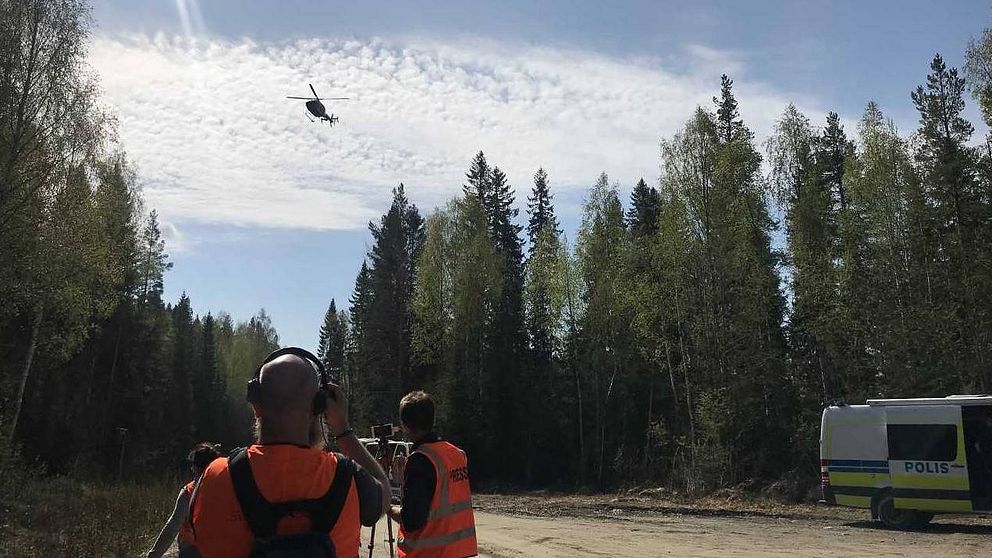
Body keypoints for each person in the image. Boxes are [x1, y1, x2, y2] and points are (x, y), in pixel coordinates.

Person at [190, 351, 390, 558]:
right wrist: (343, 430)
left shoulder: (216, 477)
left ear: (255, 404)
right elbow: (384, 494)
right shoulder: (349, 478)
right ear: (318, 407)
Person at [389, 391, 477, 558]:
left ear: (405, 426)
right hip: (457, 551)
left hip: (428, 553)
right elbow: (441, 495)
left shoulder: (420, 460)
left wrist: (387, 507)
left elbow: (412, 520)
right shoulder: (457, 454)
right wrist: (404, 481)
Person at [147, 442, 220, 558]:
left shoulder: (188, 492)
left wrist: (154, 554)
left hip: (192, 551)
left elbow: (172, 527)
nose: (191, 468)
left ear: (196, 467)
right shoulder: (225, 490)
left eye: (193, 465)